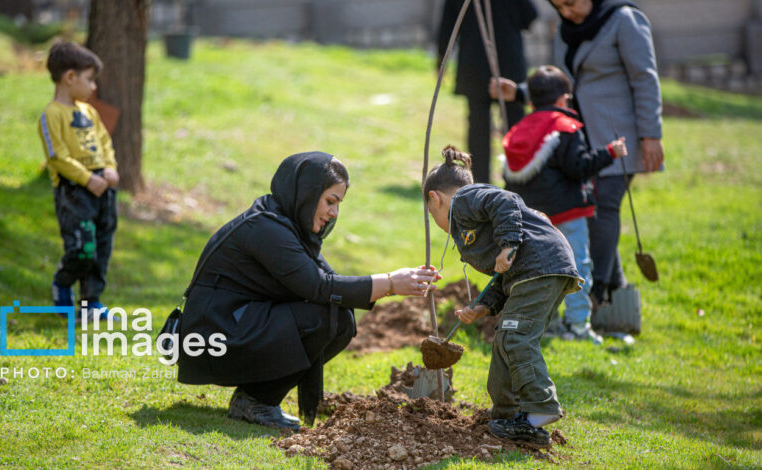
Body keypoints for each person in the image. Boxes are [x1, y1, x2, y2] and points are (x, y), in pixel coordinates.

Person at [177, 152, 441, 431]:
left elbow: (331, 282)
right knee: (325, 317)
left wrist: (400, 281)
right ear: (306, 193)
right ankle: (255, 400)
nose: (334, 213)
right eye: (330, 202)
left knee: (340, 319)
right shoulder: (266, 227)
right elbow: (318, 286)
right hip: (212, 337)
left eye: (338, 205)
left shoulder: (285, 223)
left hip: (235, 327)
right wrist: (390, 283)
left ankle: (255, 397)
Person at [490, 0, 663, 308]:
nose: (566, 12)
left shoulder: (624, 20)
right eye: (559, 6)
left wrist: (651, 134)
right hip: (576, 142)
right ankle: (610, 293)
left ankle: (599, 293)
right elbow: (566, 86)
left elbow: (644, 78)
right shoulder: (565, 31)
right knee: (593, 214)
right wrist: (519, 92)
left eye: (571, 3)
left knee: (603, 208)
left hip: (616, 137)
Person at [423, 146, 581, 446]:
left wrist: (509, 244)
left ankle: (539, 409)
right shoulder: (474, 220)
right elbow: (502, 275)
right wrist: (483, 306)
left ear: (436, 198)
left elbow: (504, 199)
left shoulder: (464, 199)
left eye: (433, 216)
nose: (438, 224)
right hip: (533, 272)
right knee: (506, 339)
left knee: (514, 336)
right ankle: (508, 418)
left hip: (540, 266)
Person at [500, 65, 628, 344]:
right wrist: (609, 153)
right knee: (577, 267)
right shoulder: (567, 127)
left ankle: (542, 323)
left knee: (538, 270)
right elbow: (577, 167)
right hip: (568, 213)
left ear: (531, 101)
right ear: (563, 99)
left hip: (533, 218)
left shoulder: (518, 130)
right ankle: (577, 325)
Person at [38, 41, 119, 321]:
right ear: (69, 77)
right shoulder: (52, 114)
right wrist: (86, 179)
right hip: (75, 192)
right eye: (89, 79)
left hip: (103, 189)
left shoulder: (89, 112)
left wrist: (109, 167)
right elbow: (56, 157)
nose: (93, 87)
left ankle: (91, 303)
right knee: (82, 248)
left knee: (102, 245)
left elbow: (105, 142)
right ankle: (62, 283)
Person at [437, 0, 538, 184]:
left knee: (479, 128)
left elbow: (448, 25)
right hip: (509, 61)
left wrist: (440, 58)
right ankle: (519, 178)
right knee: (513, 125)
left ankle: (480, 183)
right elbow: (529, 17)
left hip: (474, 63)